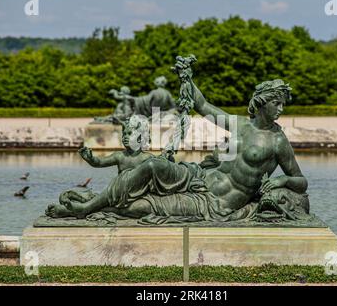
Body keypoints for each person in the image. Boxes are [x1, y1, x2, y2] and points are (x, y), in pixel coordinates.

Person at [56, 65, 309, 223]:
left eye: (282, 104)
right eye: (277, 103)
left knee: (141, 207)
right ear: (263, 102)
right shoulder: (240, 124)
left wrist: (281, 180)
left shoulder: (278, 142)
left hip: (215, 203)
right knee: (153, 165)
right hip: (197, 178)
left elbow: (300, 180)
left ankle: (93, 204)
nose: (281, 109)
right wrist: (187, 77)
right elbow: (203, 106)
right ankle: (87, 208)